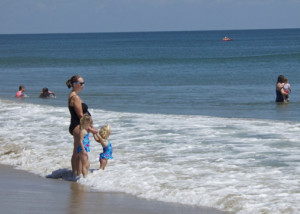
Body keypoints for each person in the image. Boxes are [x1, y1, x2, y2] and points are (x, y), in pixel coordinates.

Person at [66, 75, 97, 176]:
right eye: (81, 83)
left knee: (76, 151)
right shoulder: (75, 97)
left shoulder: (73, 95)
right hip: (78, 126)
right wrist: (90, 128)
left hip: (75, 125)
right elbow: (80, 115)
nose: (83, 85)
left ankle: (75, 174)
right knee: (81, 154)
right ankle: (80, 176)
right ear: (74, 85)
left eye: (83, 83)